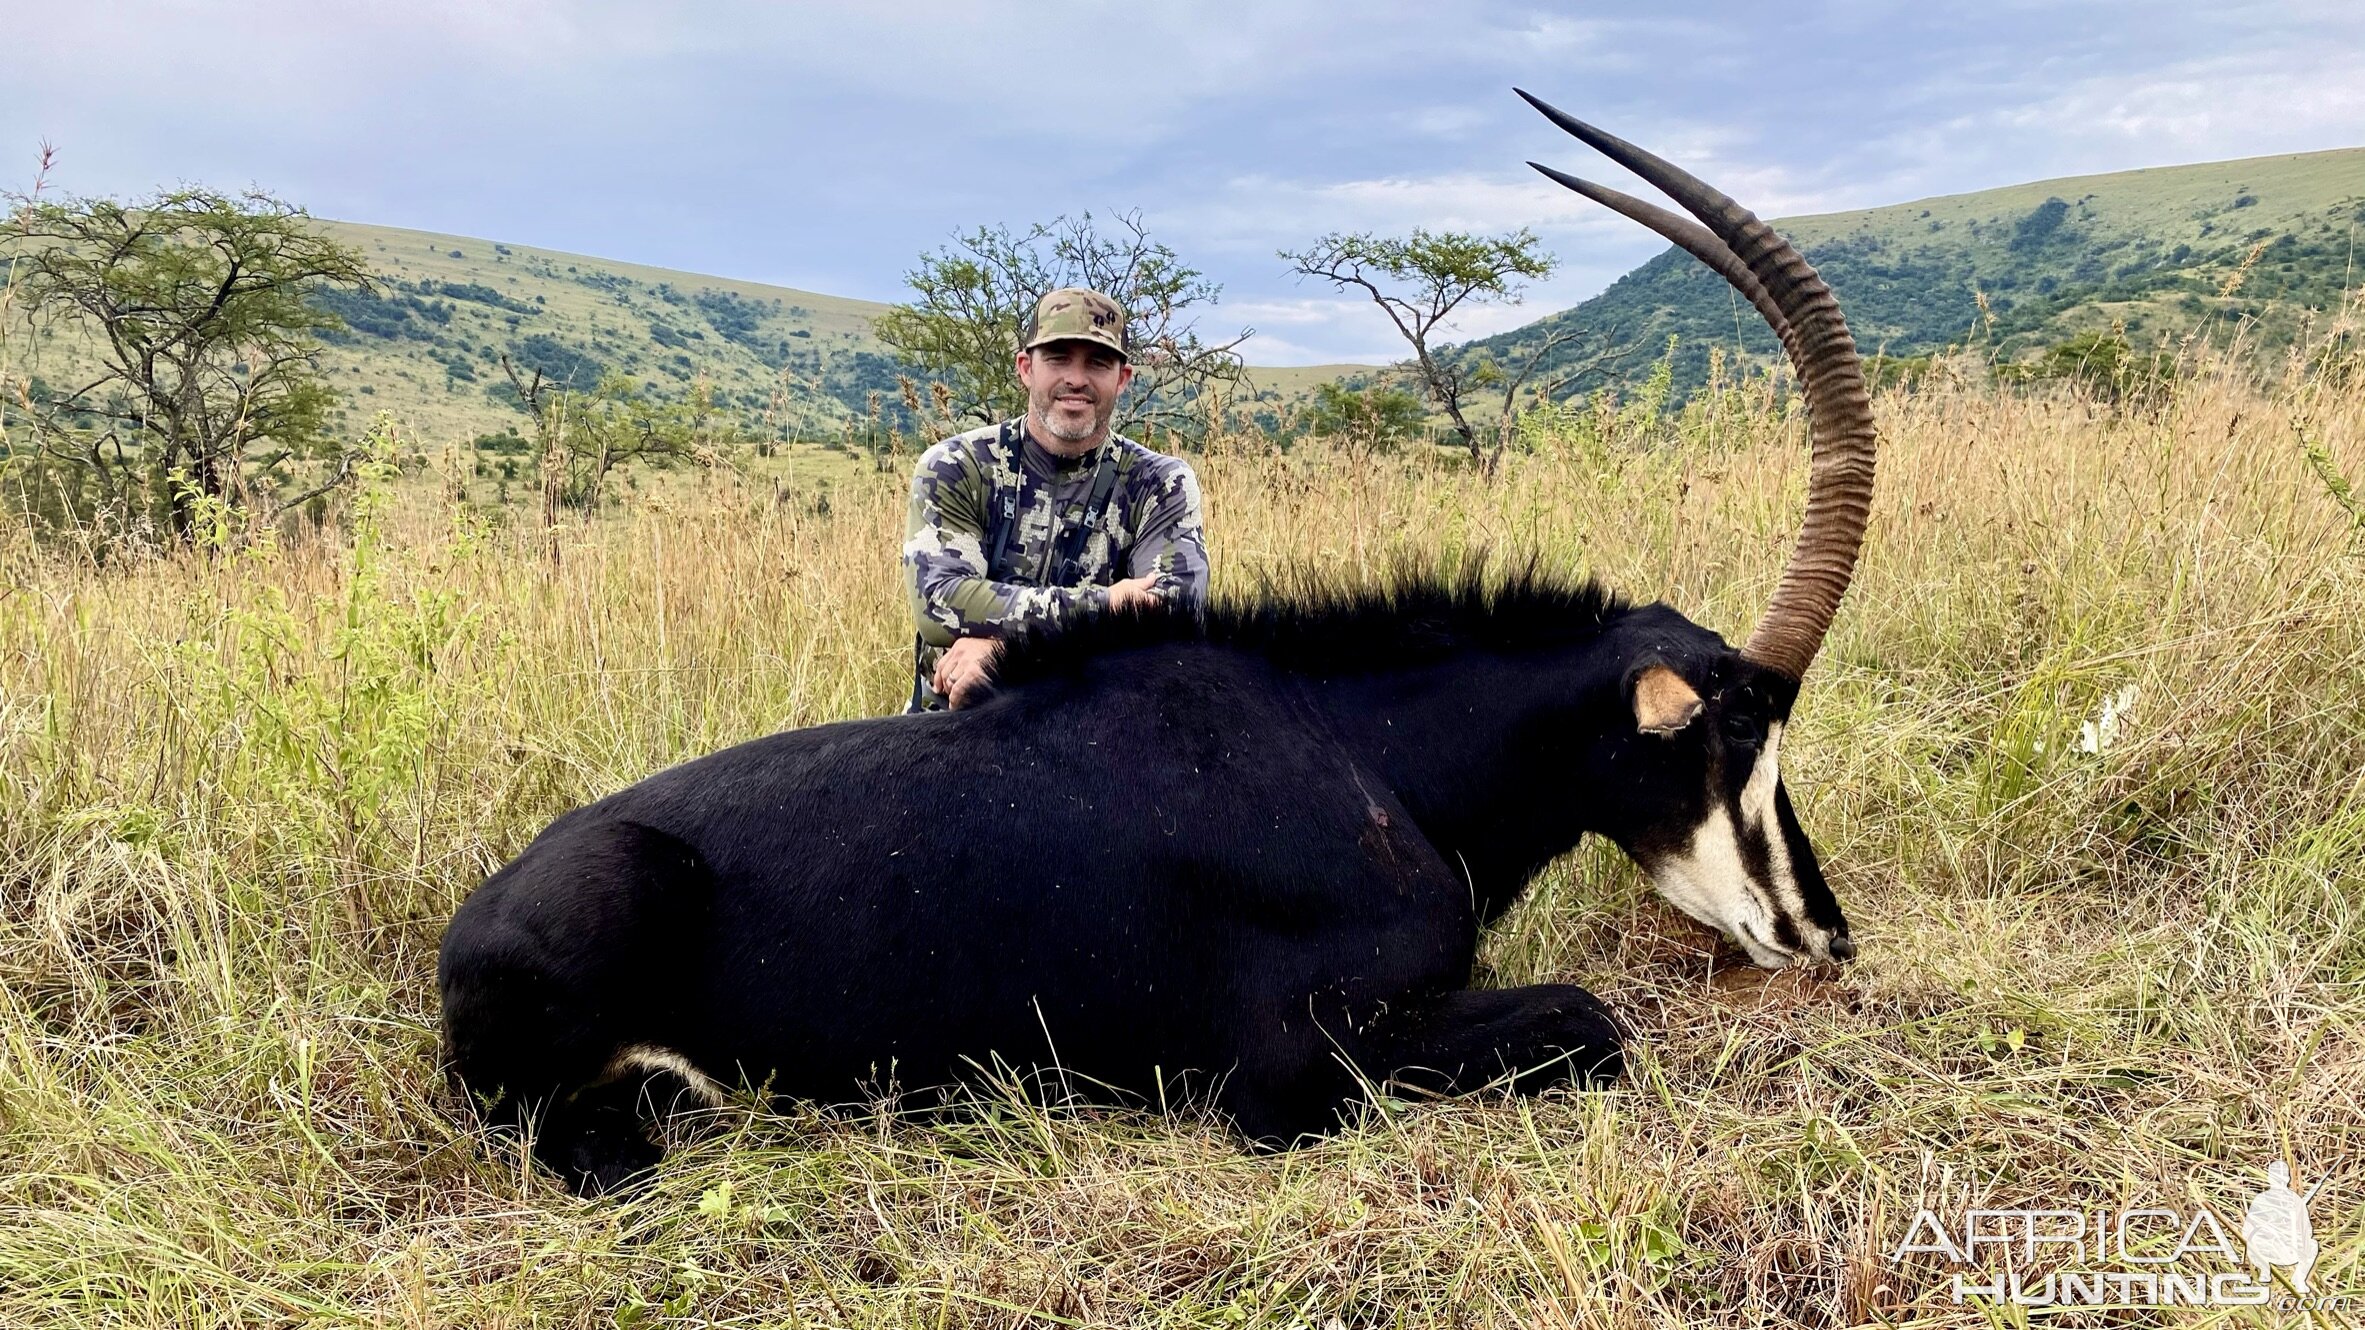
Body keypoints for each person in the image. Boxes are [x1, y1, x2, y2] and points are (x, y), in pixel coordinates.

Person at [902, 287, 1209, 711]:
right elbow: (939, 603)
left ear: (1122, 379)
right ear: (1026, 368)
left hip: (1099, 719)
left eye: (1097, 362)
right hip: (960, 718)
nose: (1076, 379)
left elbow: (1173, 620)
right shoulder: (957, 465)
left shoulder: (1160, 483)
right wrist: (1108, 604)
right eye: (1058, 357)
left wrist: (1004, 654)